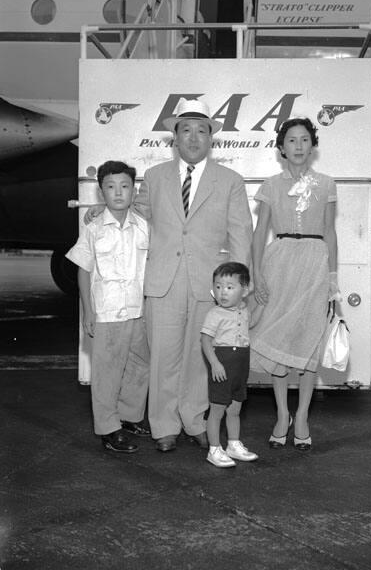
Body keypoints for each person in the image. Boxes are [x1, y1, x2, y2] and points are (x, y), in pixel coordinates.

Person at [111, 98, 253, 453]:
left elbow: (241, 234)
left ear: (210, 138)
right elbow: (136, 216)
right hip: (163, 280)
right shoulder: (155, 177)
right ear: (174, 136)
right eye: (185, 130)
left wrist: (238, 286)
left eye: (201, 131)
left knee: (199, 357)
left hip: (211, 284)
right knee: (163, 355)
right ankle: (163, 426)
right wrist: (105, 212)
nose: (193, 138)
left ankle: (195, 420)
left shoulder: (230, 181)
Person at [250, 117, 340, 451]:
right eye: (291, 140)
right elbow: (260, 232)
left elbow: (330, 231)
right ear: (281, 147)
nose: (298, 146)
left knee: (307, 342)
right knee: (276, 336)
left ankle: (301, 416)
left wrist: (332, 277)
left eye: (304, 140)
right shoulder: (271, 184)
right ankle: (281, 414)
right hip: (280, 261)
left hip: (315, 262)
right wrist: (257, 274)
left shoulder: (327, 183)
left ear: (312, 145)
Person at [67, 161, 150, 453]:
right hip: (107, 312)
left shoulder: (143, 226)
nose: (118, 192)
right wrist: (88, 312)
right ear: (102, 192)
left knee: (140, 366)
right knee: (107, 371)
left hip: (138, 311)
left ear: (134, 190)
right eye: (111, 187)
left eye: (125, 186)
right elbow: (83, 270)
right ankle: (108, 428)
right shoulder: (94, 228)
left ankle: (128, 417)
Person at [200, 262, 262, 468]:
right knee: (216, 409)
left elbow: (250, 324)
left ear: (244, 291)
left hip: (240, 364)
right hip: (223, 365)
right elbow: (205, 341)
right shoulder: (215, 314)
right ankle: (214, 449)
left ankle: (233, 445)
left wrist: (262, 305)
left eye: (229, 287)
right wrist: (215, 363)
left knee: (235, 408)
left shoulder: (243, 310)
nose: (222, 292)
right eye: (218, 287)